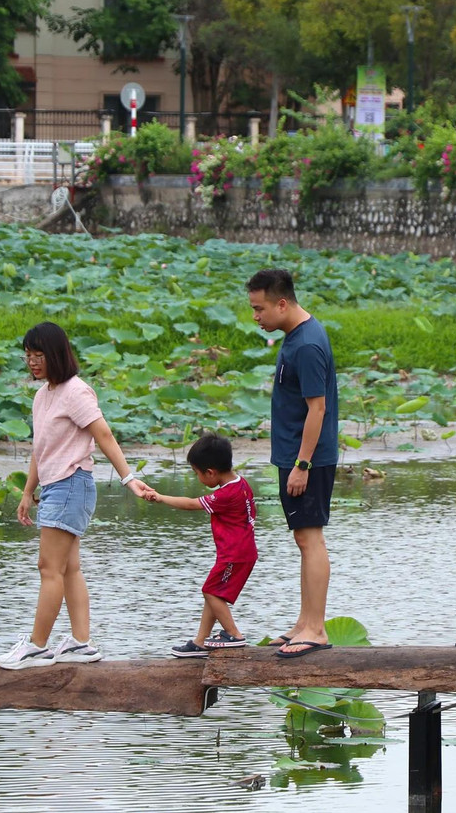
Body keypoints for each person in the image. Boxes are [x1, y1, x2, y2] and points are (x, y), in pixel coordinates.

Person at [0, 321, 153, 670]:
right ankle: (82, 643)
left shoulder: (76, 391)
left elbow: (104, 435)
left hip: (72, 484)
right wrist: (27, 492)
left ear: (56, 354)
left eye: (39, 355)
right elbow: (40, 447)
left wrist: (129, 479)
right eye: (27, 356)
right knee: (68, 569)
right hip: (55, 487)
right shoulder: (43, 395)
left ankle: (37, 647)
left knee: (48, 567)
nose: (33, 362)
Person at [246, 268, 338, 659]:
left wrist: (302, 463)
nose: (256, 316)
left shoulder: (306, 345)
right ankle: (304, 622)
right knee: (304, 538)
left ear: (281, 303)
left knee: (310, 537)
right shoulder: (296, 337)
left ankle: (315, 628)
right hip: (294, 455)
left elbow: (316, 409)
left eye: (259, 308)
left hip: (307, 459)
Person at [143, 434, 258, 658]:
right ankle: (201, 642)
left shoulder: (227, 494)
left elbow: (191, 504)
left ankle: (234, 635)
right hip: (240, 553)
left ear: (210, 472)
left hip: (234, 555)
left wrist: (159, 497)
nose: (198, 478)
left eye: (197, 473)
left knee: (210, 592)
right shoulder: (241, 484)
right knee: (213, 594)